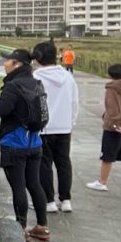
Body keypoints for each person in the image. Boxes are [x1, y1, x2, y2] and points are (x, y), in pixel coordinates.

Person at [0, 49, 50, 240]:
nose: (4, 64)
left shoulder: (13, 85)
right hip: (34, 142)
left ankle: (21, 229)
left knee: (18, 187)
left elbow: (3, 109)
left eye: (8, 61)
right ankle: (42, 226)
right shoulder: (36, 83)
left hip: (15, 143)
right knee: (34, 184)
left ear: (17, 64)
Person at [32, 40, 79, 212]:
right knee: (64, 162)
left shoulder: (35, 77)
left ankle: (49, 201)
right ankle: (66, 200)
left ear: (38, 58)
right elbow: (75, 102)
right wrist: (71, 123)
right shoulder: (67, 77)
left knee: (44, 164)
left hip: (43, 127)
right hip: (64, 126)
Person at [85, 63, 121, 192]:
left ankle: (102, 182)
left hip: (113, 128)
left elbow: (112, 109)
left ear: (109, 75)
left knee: (107, 155)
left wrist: (115, 125)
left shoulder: (111, 89)